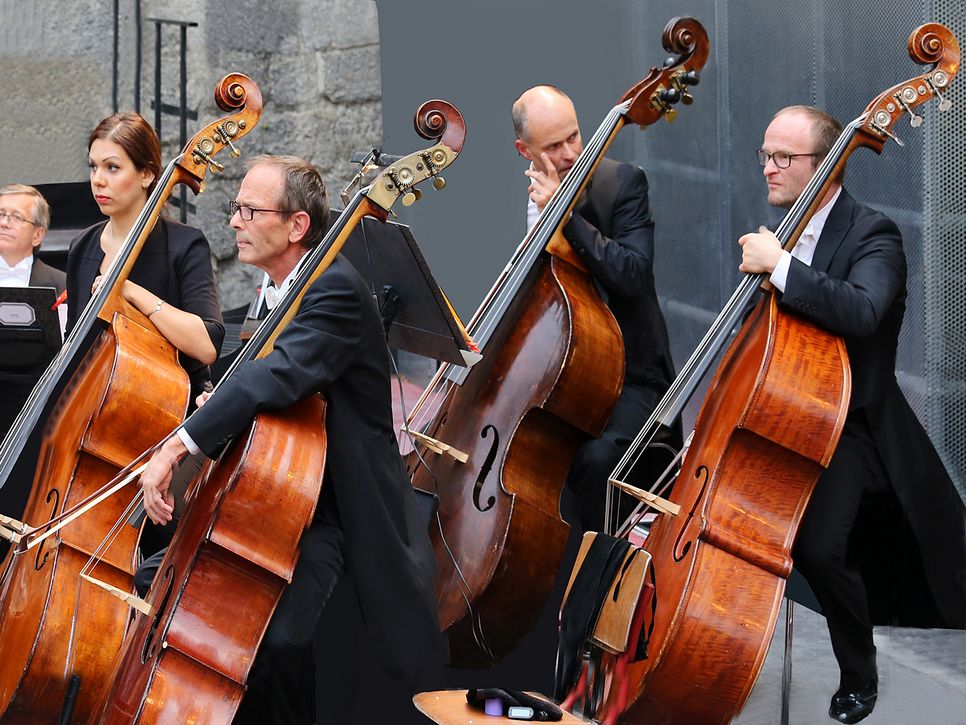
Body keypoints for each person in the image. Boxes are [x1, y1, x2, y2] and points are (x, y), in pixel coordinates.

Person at [137, 155, 442, 723]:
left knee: (274, 644)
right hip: (282, 496)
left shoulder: (335, 289)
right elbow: (262, 383)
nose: (234, 221)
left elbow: (276, 375)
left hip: (335, 512)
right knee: (153, 584)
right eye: (237, 208)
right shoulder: (279, 287)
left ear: (297, 225)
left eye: (250, 211)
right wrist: (218, 406)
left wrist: (178, 445)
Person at [738, 105, 966, 724]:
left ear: (827, 166)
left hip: (851, 421)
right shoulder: (784, 231)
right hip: (788, 411)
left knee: (818, 547)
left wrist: (779, 268)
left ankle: (859, 672)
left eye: (783, 157)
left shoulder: (874, 234)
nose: (768, 168)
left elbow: (862, 310)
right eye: (765, 154)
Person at [511, 85, 679, 532]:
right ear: (524, 151)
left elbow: (634, 274)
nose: (570, 153)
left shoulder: (622, 183)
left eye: (573, 137)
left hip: (631, 378)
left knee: (593, 460)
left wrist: (565, 216)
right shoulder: (532, 194)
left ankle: (596, 570)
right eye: (553, 146)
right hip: (563, 377)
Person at [65, 112, 225, 555]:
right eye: (93, 167)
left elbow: (206, 344)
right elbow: (77, 351)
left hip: (167, 428)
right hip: (95, 428)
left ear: (147, 174)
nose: (98, 180)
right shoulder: (82, 247)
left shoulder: (184, 244)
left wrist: (129, 290)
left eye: (112, 167)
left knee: (156, 554)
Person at [0, 183, 65, 295]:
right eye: (1, 214)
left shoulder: (64, 285)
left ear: (37, 235)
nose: (4, 223)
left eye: (17, 217)